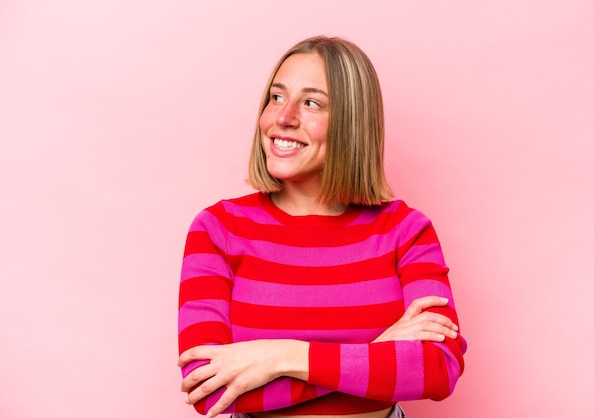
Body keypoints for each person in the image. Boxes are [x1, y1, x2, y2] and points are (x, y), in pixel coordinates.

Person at [177, 35, 467, 418]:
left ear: (352, 124)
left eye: (311, 103)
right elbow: (208, 389)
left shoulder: (406, 230)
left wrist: (280, 356)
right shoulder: (218, 228)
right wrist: (377, 352)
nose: (283, 117)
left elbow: (437, 368)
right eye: (276, 97)